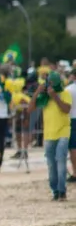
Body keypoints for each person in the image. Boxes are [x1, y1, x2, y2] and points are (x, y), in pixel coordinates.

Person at [36, 72, 72, 201]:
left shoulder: (65, 94)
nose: (49, 86)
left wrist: (55, 97)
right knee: (51, 164)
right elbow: (31, 108)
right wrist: (37, 92)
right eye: (48, 83)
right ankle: (55, 190)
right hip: (49, 134)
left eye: (51, 83)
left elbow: (66, 109)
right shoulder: (44, 96)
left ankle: (62, 191)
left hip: (63, 131)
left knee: (61, 160)